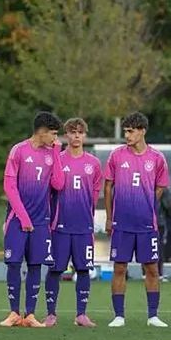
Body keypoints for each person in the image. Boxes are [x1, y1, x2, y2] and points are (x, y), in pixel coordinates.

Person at [104, 112, 171, 327]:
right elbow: (108, 186)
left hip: (146, 224)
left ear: (142, 131)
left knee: (151, 268)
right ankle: (118, 316)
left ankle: (153, 316)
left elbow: (160, 186)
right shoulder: (116, 156)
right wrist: (109, 217)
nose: (127, 135)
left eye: (131, 131)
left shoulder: (157, 158)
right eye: (125, 131)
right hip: (121, 223)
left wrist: (146, 203)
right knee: (119, 268)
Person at [0, 112, 65, 328]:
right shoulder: (19, 150)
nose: (56, 138)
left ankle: (30, 315)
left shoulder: (51, 153)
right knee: (13, 263)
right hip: (17, 220)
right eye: (53, 134)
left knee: (36, 265)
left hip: (41, 220)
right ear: (42, 132)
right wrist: (23, 216)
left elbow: (58, 184)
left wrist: (56, 154)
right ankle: (14, 313)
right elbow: (9, 186)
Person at [42, 118, 101, 327]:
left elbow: (95, 193)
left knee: (83, 269)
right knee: (55, 269)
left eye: (80, 132)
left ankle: (81, 314)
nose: (76, 136)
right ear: (66, 134)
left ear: (85, 135)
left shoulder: (93, 163)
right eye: (72, 132)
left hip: (83, 226)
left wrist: (88, 216)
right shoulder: (56, 159)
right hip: (60, 225)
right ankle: (51, 314)